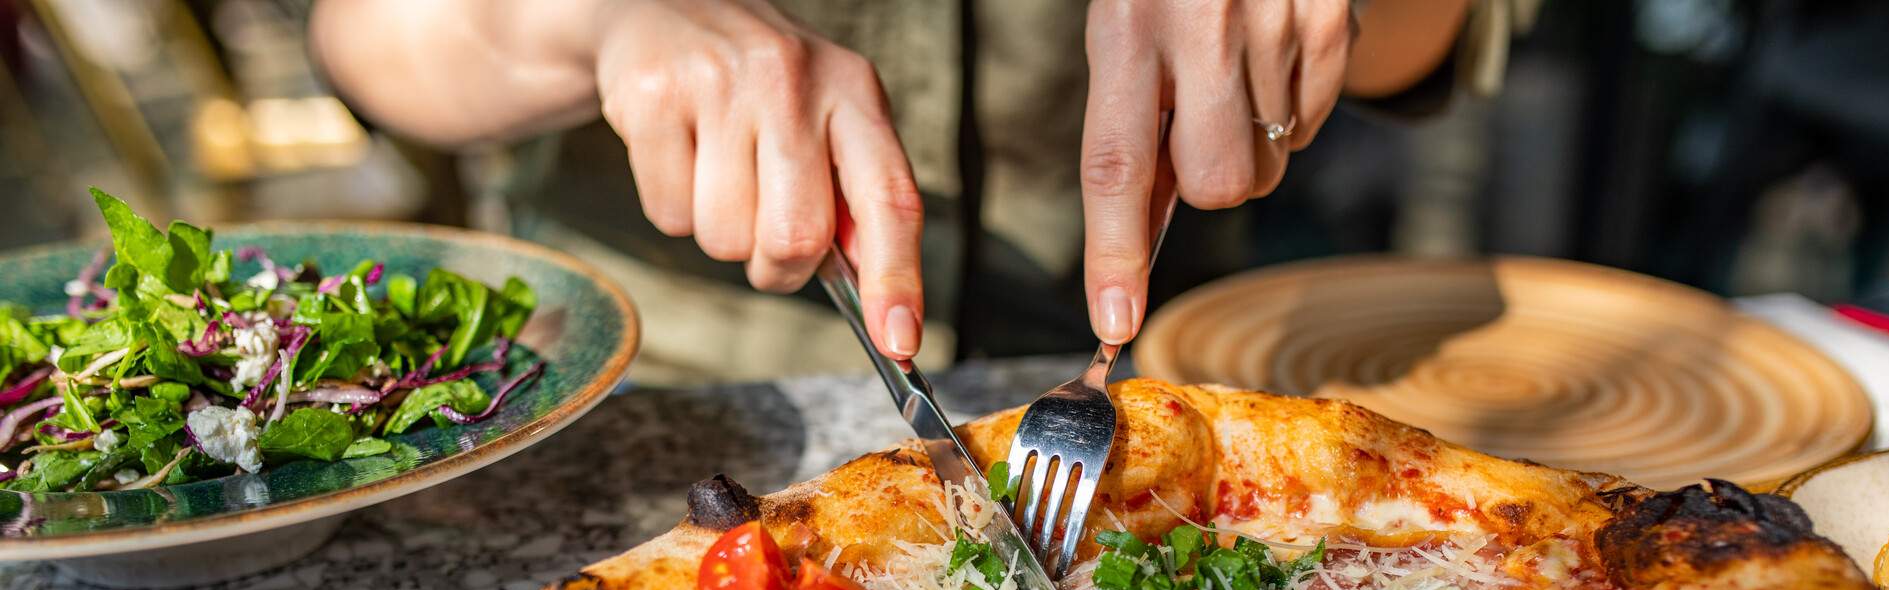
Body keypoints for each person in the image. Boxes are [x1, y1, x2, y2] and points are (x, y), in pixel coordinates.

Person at [311, 1, 1519, 374]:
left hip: (1146, 386)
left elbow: (1443, 40)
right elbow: (366, 34)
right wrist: (596, 22)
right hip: (643, 379)